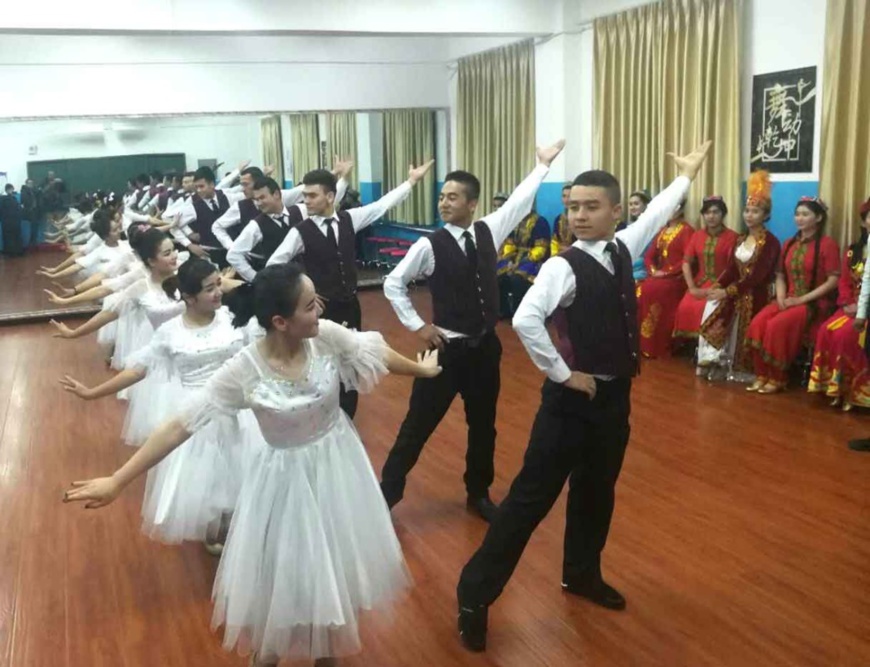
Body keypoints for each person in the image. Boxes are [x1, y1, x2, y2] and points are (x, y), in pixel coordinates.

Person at [63, 263, 442, 667]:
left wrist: (421, 368)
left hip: (337, 467)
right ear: (280, 321)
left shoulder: (326, 336)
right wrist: (119, 480)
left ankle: (326, 653)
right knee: (286, 575)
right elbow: (179, 425)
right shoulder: (244, 369)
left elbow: (371, 350)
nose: (321, 310)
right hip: (282, 481)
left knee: (335, 567)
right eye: (310, 306)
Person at [455, 141, 712, 653]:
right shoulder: (561, 266)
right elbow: (527, 319)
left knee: (597, 493)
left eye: (591, 206)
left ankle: (581, 574)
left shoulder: (622, 248)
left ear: (616, 212)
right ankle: (473, 597)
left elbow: (658, 212)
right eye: (573, 206)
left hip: (615, 401)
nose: (578, 215)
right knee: (527, 504)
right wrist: (563, 373)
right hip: (570, 407)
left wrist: (684, 178)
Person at [380, 140, 565, 521]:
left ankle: (478, 492)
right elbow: (392, 283)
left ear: (472, 203)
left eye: (452, 197)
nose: (444, 203)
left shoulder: (487, 231)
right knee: (417, 426)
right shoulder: (429, 245)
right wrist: (419, 326)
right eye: (442, 197)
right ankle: (387, 495)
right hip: (445, 350)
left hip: (484, 349)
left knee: (484, 426)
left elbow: (516, 202)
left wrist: (542, 167)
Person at [59, 258, 260, 552]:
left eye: (218, 284)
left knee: (247, 475)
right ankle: (220, 534)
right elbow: (137, 370)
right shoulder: (170, 332)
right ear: (188, 297)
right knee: (212, 486)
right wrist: (93, 392)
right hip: (197, 418)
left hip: (241, 412)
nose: (218, 292)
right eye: (209, 289)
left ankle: (243, 533)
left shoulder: (232, 318)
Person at [266, 161, 434, 418]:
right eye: (304, 195)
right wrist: (303, 292)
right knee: (320, 365)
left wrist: (410, 182)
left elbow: (381, 206)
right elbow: (273, 266)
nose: (306, 201)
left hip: (350, 304)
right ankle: (320, 415)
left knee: (351, 361)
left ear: (330, 196)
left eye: (312, 195)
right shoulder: (300, 232)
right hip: (319, 311)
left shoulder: (349, 219)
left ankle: (346, 419)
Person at [745, 197, 840, 394]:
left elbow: (833, 281)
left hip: (813, 302)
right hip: (787, 298)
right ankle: (762, 374)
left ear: (819, 217)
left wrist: (801, 300)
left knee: (776, 326)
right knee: (757, 323)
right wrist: (780, 298)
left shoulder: (827, 244)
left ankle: (779, 377)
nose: (800, 218)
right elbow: (780, 275)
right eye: (797, 214)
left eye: (806, 214)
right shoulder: (789, 243)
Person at [697, 171, 781, 381]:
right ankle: (714, 360)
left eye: (755, 211)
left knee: (734, 305)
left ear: (765, 215)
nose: (749, 215)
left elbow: (757, 277)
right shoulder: (740, 239)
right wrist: (717, 287)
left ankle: (741, 367)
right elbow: (731, 270)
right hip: (737, 289)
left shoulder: (769, 242)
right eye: (747, 210)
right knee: (712, 305)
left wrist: (727, 292)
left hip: (756, 293)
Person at [808, 198, 870, 410]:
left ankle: (854, 393)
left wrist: (862, 309)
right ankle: (831, 388)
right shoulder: (853, 251)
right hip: (851, 306)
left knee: (846, 335)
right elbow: (843, 281)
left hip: (866, 312)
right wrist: (847, 303)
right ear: (864, 223)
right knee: (825, 330)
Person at [672, 196, 738, 346]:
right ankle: (694, 346)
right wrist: (692, 288)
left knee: (707, 307)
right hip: (698, 284)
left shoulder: (733, 237)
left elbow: (733, 269)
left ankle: (709, 347)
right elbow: (686, 262)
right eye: (707, 213)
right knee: (685, 306)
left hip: (721, 285)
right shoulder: (697, 236)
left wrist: (719, 288)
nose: (711, 216)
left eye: (716, 212)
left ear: (723, 214)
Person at [635, 198, 693, 357]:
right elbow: (649, 256)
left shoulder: (686, 231)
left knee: (654, 291)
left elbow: (687, 259)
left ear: (681, 209)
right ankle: (639, 343)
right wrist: (653, 271)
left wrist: (667, 273)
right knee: (638, 290)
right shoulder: (662, 231)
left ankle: (657, 345)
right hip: (658, 276)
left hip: (677, 278)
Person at [496, 207, 551, 318]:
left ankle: (519, 313)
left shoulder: (540, 222)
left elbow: (541, 248)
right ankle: (504, 310)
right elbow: (510, 244)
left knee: (517, 279)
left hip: (533, 259)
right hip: (515, 256)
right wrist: (508, 258)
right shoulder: (515, 220)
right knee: (497, 274)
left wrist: (521, 262)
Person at [0, 183, 24, 256]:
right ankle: (18, 251)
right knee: (16, 236)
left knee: (8, 237)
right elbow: (18, 209)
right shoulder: (14, 198)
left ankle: (10, 252)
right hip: (15, 221)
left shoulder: (2, 199)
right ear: (10, 189)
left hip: (6, 221)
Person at [550, 183, 573, 255]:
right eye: (564, 196)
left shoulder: (579, 218)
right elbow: (554, 241)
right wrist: (554, 256)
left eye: (569, 196)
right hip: (560, 255)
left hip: (577, 256)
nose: (566, 200)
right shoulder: (558, 219)